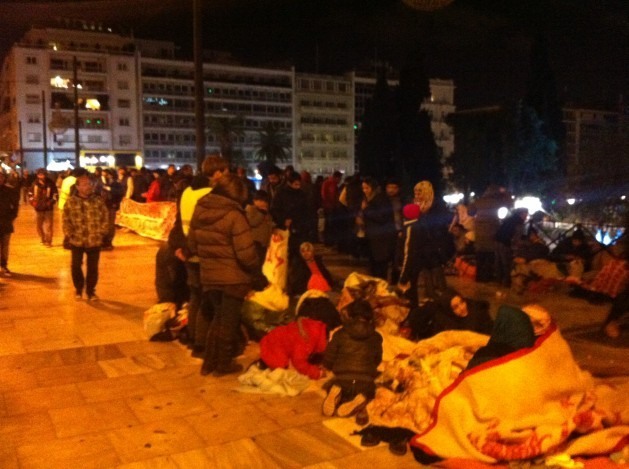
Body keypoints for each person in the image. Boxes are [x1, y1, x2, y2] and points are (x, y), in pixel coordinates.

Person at [188, 173, 261, 376]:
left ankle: (208, 363)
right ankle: (223, 364)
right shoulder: (235, 215)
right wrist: (256, 269)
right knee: (228, 323)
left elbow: (192, 244)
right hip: (234, 278)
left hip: (209, 275)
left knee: (217, 319)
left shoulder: (200, 208)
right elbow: (246, 254)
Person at [169, 154, 228, 357]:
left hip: (188, 253)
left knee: (195, 297)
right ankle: (202, 344)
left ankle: (193, 336)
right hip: (206, 253)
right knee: (206, 301)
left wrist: (178, 246)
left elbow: (179, 222)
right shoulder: (211, 194)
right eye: (225, 172)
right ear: (218, 172)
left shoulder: (187, 192)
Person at [321, 299, 383, 419]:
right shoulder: (376, 337)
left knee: (332, 384)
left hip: (342, 377)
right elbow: (377, 359)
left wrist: (327, 366)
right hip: (364, 380)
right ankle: (361, 398)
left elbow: (329, 357)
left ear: (351, 315)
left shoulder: (340, 334)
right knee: (371, 391)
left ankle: (336, 391)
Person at [62, 175, 109, 301]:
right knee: (76, 265)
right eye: (84, 184)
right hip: (77, 240)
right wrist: (69, 233)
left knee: (93, 267)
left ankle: (90, 291)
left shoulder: (98, 201)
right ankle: (79, 288)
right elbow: (66, 219)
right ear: (77, 187)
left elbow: (105, 216)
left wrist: (102, 231)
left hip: (94, 240)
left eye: (89, 184)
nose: (87, 187)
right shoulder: (71, 202)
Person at [258, 312, 329, 379]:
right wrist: (318, 374)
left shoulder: (312, 329)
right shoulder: (307, 340)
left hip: (272, 340)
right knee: (282, 374)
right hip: (274, 349)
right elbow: (299, 363)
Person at [404, 288, 493, 340]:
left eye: (462, 302)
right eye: (455, 307)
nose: (461, 308)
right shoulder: (445, 320)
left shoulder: (477, 312)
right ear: (449, 310)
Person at [356, 177, 396, 280]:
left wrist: (366, 210)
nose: (365, 191)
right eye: (363, 188)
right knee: (373, 268)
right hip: (373, 239)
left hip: (381, 240)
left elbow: (382, 217)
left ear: (372, 188)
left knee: (380, 269)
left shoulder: (381, 199)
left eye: (367, 188)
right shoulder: (369, 199)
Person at [494, 208, 528, 288]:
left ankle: (498, 281)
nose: (526, 216)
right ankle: (506, 283)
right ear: (521, 214)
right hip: (506, 244)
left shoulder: (509, 220)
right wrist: (516, 248)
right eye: (525, 214)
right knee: (507, 264)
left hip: (498, 241)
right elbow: (516, 238)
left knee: (499, 262)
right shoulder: (519, 223)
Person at [29, 168, 57, 247]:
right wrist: (34, 203)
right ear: (37, 175)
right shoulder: (34, 184)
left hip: (48, 209)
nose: (41, 176)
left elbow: (55, 195)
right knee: (38, 226)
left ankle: (48, 241)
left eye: (43, 174)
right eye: (39, 174)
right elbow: (30, 194)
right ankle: (42, 238)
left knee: (49, 226)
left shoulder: (51, 184)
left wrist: (50, 203)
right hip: (38, 208)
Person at [245, 189, 273, 264]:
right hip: (255, 242)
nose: (264, 203)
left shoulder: (265, 211)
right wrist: (261, 213)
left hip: (264, 243)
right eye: (261, 201)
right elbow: (252, 222)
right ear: (255, 201)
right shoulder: (250, 209)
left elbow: (268, 223)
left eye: (265, 201)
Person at [0, 171, 19, 276]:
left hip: (6, 222)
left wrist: (12, 216)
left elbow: (15, 205)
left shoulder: (9, 190)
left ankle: (4, 265)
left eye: (1, 177)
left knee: (5, 246)